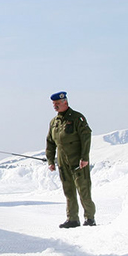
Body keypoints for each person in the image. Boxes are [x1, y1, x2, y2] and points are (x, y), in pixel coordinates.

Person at [45, 91, 96, 228]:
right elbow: (50, 142)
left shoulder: (77, 118)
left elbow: (86, 137)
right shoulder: (54, 122)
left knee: (83, 189)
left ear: (65, 102)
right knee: (68, 191)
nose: (55, 106)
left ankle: (90, 218)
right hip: (63, 162)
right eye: (53, 104)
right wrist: (51, 161)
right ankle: (72, 219)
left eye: (57, 104)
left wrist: (84, 157)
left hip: (78, 161)